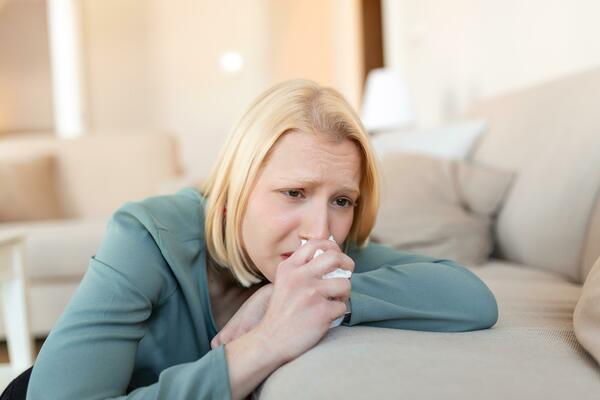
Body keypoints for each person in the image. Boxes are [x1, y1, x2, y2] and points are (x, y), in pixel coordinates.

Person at [25, 79, 498, 400]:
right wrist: (265, 343)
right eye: (294, 193)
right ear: (234, 192)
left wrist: (290, 295)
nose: (320, 230)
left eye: (341, 200)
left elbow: (471, 297)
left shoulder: (326, 255)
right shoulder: (146, 237)